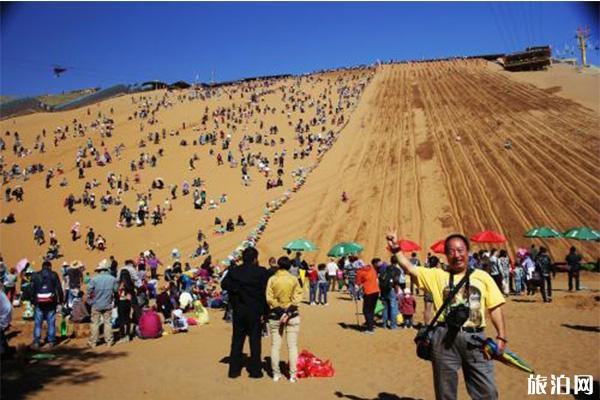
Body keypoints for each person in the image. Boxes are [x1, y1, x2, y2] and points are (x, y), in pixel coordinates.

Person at [387, 230, 506, 400]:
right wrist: (396, 248)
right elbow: (409, 268)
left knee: (487, 392)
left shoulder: (483, 277)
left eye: (460, 250)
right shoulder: (437, 275)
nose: (456, 255)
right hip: (444, 338)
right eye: (451, 251)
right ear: (446, 255)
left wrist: (501, 336)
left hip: (475, 339)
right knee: (445, 392)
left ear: (468, 252)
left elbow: (495, 308)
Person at [220, 247, 269, 379]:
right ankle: (255, 371)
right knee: (255, 341)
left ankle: (234, 371)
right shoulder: (261, 272)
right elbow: (266, 291)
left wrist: (236, 289)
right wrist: (266, 312)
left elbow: (224, 284)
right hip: (255, 311)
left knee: (237, 341)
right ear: (255, 259)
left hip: (239, 311)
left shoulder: (234, 271)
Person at [266, 256, 303, 383]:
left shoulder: (272, 279)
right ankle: (293, 375)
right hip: (292, 316)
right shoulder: (294, 279)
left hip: (275, 316)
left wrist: (280, 312)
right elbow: (298, 296)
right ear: (289, 267)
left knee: (275, 346)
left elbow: (269, 298)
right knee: (292, 346)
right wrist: (288, 312)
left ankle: (276, 373)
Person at [31, 260, 64, 349]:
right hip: (51, 302)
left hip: (39, 303)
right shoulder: (54, 274)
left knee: (38, 323)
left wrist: (33, 302)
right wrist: (61, 301)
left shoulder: (36, 275)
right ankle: (51, 341)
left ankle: (36, 342)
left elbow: (32, 289)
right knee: (51, 322)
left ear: (42, 267)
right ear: (50, 267)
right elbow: (59, 289)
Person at [88, 259, 118, 348]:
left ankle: (93, 342)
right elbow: (116, 290)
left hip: (96, 304)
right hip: (108, 304)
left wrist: (91, 302)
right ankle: (109, 341)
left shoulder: (94, 279)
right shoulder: (113, 279)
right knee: (108, 323)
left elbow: (89, 292)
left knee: (95, 323)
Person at [355, 259, 380, 334]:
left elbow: (358, 283)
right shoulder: (372, 269)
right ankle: (371, 325)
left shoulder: (360, 272)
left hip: (369, 292)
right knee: (371, 310)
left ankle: (370, 328)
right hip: (376, 291)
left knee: (366, 311)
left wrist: (356, 289)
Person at [378, 257, 400, 329]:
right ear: (397, 262)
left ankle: (384, 324)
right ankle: (393, 325)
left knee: (385, 307)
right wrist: (397, 291)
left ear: (390, 261)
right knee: (393, 307)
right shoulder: (397, 270)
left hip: (383, 290)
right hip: (391, 289)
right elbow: (396, 282)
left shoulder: (385, 268)